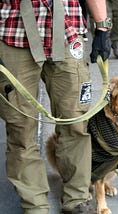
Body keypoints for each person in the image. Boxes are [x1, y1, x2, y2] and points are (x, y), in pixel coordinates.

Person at [0, 0, 111, 213]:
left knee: (76, 122)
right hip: (12, 33)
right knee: (20, 129)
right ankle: (34, 204)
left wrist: (102, 27)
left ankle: (77, 198)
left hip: (67, 32)